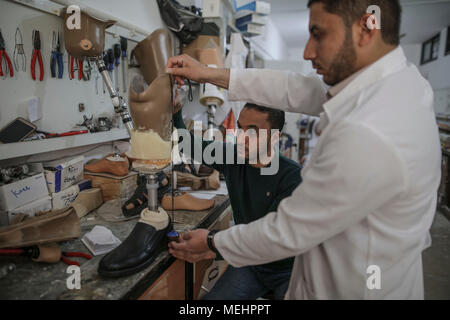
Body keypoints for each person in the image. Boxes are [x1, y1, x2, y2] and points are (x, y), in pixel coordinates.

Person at [167, 0, 441, 299]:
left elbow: (288, 232)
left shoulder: (370, 129)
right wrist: (207, 73)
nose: (307, 52)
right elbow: (295, 88)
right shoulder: (395, 84)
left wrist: (212, 243)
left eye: (318, 34)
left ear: (366, 28)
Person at [173, 102, 302, 300]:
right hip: (249, 262)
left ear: (274, 136)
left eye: (253, 131)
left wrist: (212, 243)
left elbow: (271, 239)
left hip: (289, 270)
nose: (242, 138)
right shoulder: (233, 157)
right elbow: (190, 145)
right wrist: (175, 112)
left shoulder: (293, 177)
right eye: (240, 128)